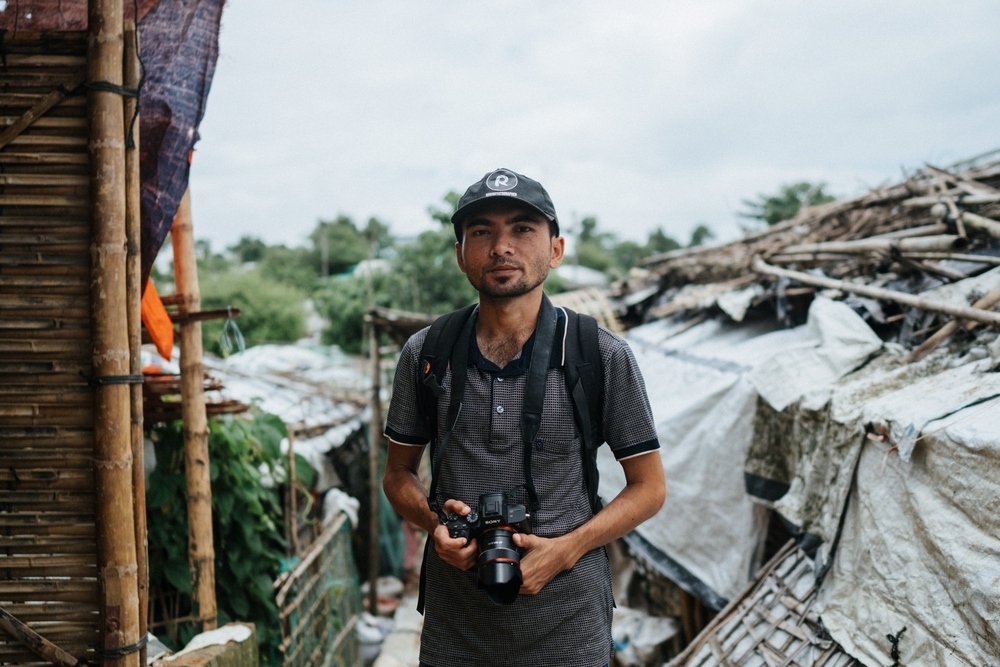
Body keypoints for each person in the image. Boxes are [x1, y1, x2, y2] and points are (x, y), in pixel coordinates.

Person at [383, 168, 665, 667]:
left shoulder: (598, 355)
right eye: (482, 232)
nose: (501, 247)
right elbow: (397, 474)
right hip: (456, 624)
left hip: (570, 620)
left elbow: (649, 488)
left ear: (555, 249)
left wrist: (567, 549)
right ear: (460, 253)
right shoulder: (427, 353)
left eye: (522, 229)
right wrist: (436, 526)